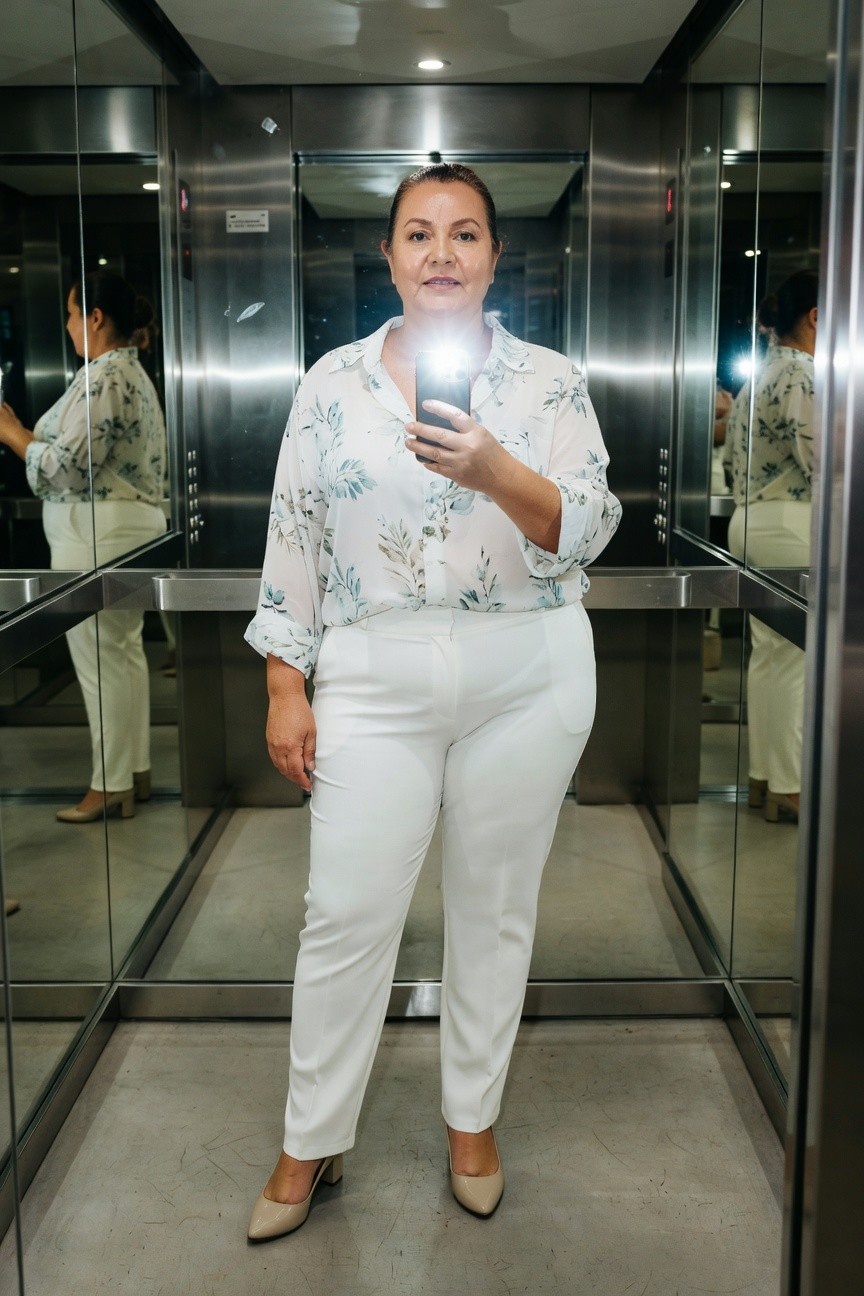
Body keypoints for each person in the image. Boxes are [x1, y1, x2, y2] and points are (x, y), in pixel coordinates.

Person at [244, 163, 621, 1240]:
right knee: (345, 914)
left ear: (496, 256)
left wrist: (496, 467)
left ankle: (472, 1122)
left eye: (465, 234)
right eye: (420, 234)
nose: (443, 253)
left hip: (526, 665)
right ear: (391, 256)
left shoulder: (548, 382)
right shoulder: (332, 383)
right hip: (373, 669)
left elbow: (589, 526)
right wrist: (285, 681)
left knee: (495, 909)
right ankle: (311, 1141)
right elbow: (293, 535)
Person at [0, 271, 167, 822]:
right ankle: (133, 772)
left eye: (73, 314)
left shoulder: (104, 377)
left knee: (101, 660)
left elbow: (68, 468)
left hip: (98, 532)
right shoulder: (127, 374)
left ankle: (110, 783)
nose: (70, 326)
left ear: (95, 317)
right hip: (119, 528)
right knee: (122, 654)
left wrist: (13, 434)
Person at [724, 270, 818, 823]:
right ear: (814, 317)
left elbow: (736, 459)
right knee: (797, 659)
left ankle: (764, 776)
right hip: (792, 522)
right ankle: (789, 784)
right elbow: (821, 463)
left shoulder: (758, 374)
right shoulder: (804, 375)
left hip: (749, 518)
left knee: (769, 655)